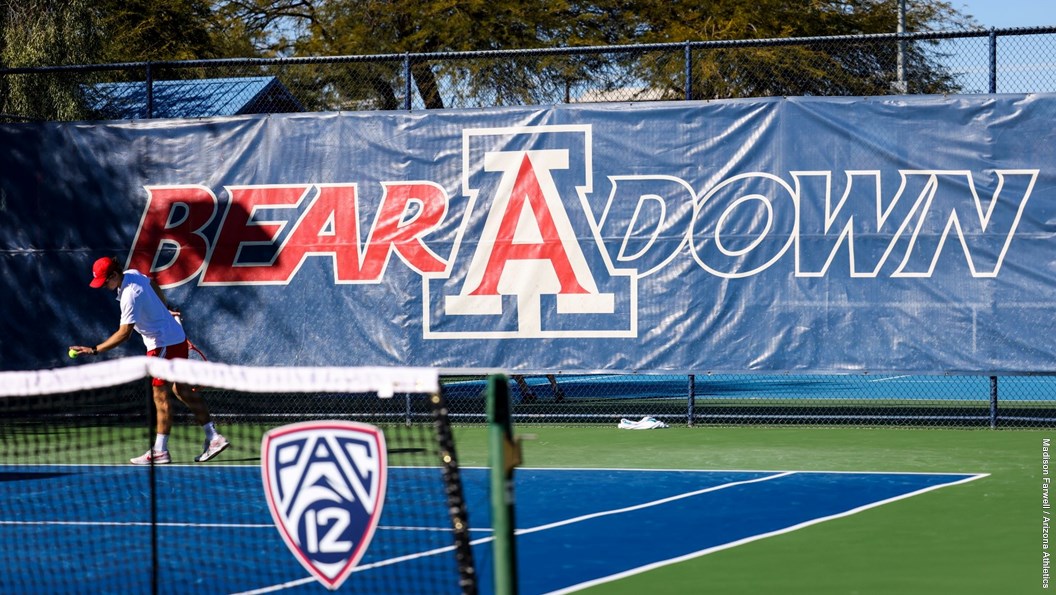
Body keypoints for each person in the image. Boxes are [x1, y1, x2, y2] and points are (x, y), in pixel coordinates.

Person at [69, 256, 230, 465]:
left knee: (160, 397)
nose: (104, 286)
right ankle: (214, 438)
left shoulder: (129, 296)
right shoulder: (134, 275)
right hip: (176, 338)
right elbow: (153, 284)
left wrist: (94, 350)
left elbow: (124, 333)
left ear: (115, 275)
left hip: (162, 345)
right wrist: (163, 310)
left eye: (106, 281)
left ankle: (160, 451)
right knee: (180, 390)